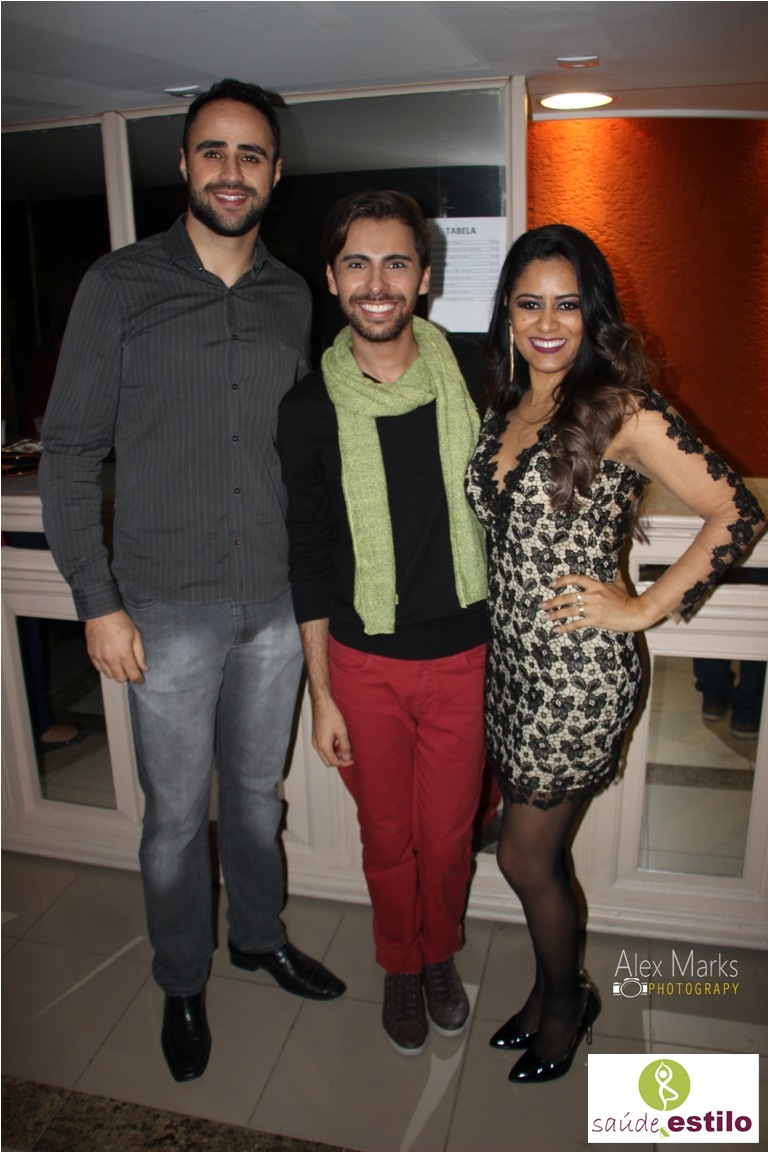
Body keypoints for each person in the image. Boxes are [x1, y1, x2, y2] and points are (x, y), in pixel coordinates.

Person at [38, 78, 345, 1084]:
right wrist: (96, 602)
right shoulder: (119, 285)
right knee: (175, 819)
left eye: (251, 154)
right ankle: (181, 978)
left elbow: (300, 449)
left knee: (256, 797)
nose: (231, 171)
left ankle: (258, 935)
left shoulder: (292, 295)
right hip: (163, 607)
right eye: (213, 150)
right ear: (182, 164)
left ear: (275, 172)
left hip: (273, 602)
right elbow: (69, 452)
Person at [465, 224, 765, 1084]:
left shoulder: (620, 408)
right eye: (530, 303)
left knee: (523, 856)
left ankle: (567, 1007)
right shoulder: (507, 406)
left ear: (592, 314)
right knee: (535, 854)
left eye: (567, 304)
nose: (547, 322)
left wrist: (641, 607)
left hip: (578, 676)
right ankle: (550, 991)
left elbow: (736, 511)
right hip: (512, 669)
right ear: (508, 312)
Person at [277, 190, 489, 1055]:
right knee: (387, 838)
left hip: (465, 657)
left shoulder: (475, 374)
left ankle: (440, 951)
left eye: (396, 262)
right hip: (362, 664)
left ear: (425, 277)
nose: (377, 282)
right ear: (331, 279)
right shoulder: (307, 408)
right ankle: (403, 963)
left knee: (447, 838)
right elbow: (307, 557)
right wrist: (322, 694)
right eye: (357, 263)